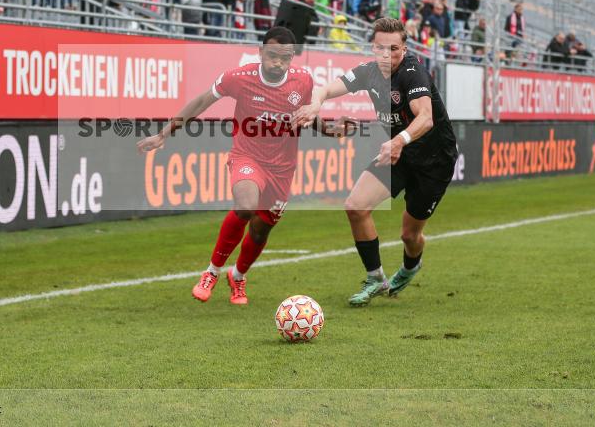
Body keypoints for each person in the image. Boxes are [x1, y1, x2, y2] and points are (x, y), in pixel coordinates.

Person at [137, 28, 336, 304]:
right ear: (261, 52)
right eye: (273, 55)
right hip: (247, 156)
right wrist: (164, 133)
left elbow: (308, 115)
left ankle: (238, 276)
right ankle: (211, 272)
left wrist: (331, 130)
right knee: (245, 206)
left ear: (292, 58)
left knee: (261, 228)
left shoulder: (303, 81)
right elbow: (200, 102)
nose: (278, 62)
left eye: (285, 57)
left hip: (282, 168)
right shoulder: (239, 78)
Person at [293, 17, 458, 306]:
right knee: (356, 207)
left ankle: (410, 267)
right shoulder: (368, 73)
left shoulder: (412, 73)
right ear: (373, 48)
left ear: (404, 49)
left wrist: (398, 140)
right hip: (398, 154)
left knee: (409, 235)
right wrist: (316, 103)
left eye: (394, 49)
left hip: (434, 160)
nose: (387, 55)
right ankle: (375, 278)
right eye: (381, 48)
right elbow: (327, 88)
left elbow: (426, 118)